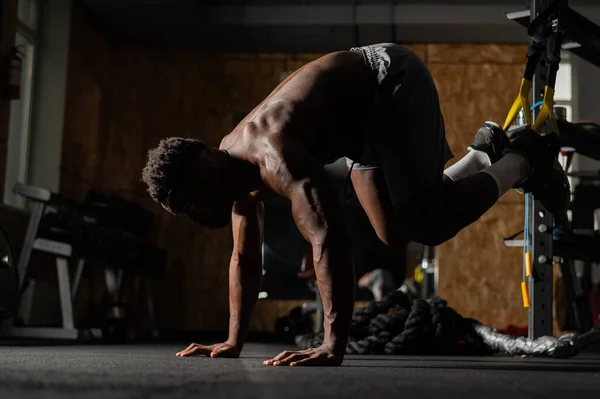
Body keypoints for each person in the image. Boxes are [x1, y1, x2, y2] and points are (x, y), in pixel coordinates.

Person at [141, 43, 569, 367]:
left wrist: (332, 344)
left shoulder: (273, 158)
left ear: (208, 174)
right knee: (394, 232)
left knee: (428, 225)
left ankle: (524, 159)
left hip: (389, 82)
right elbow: (245, 258)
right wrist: (233, 341)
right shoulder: (232, 170)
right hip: (360, 127)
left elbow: (329, 237)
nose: (196, 219)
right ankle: (482, 153)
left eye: (191, 207)